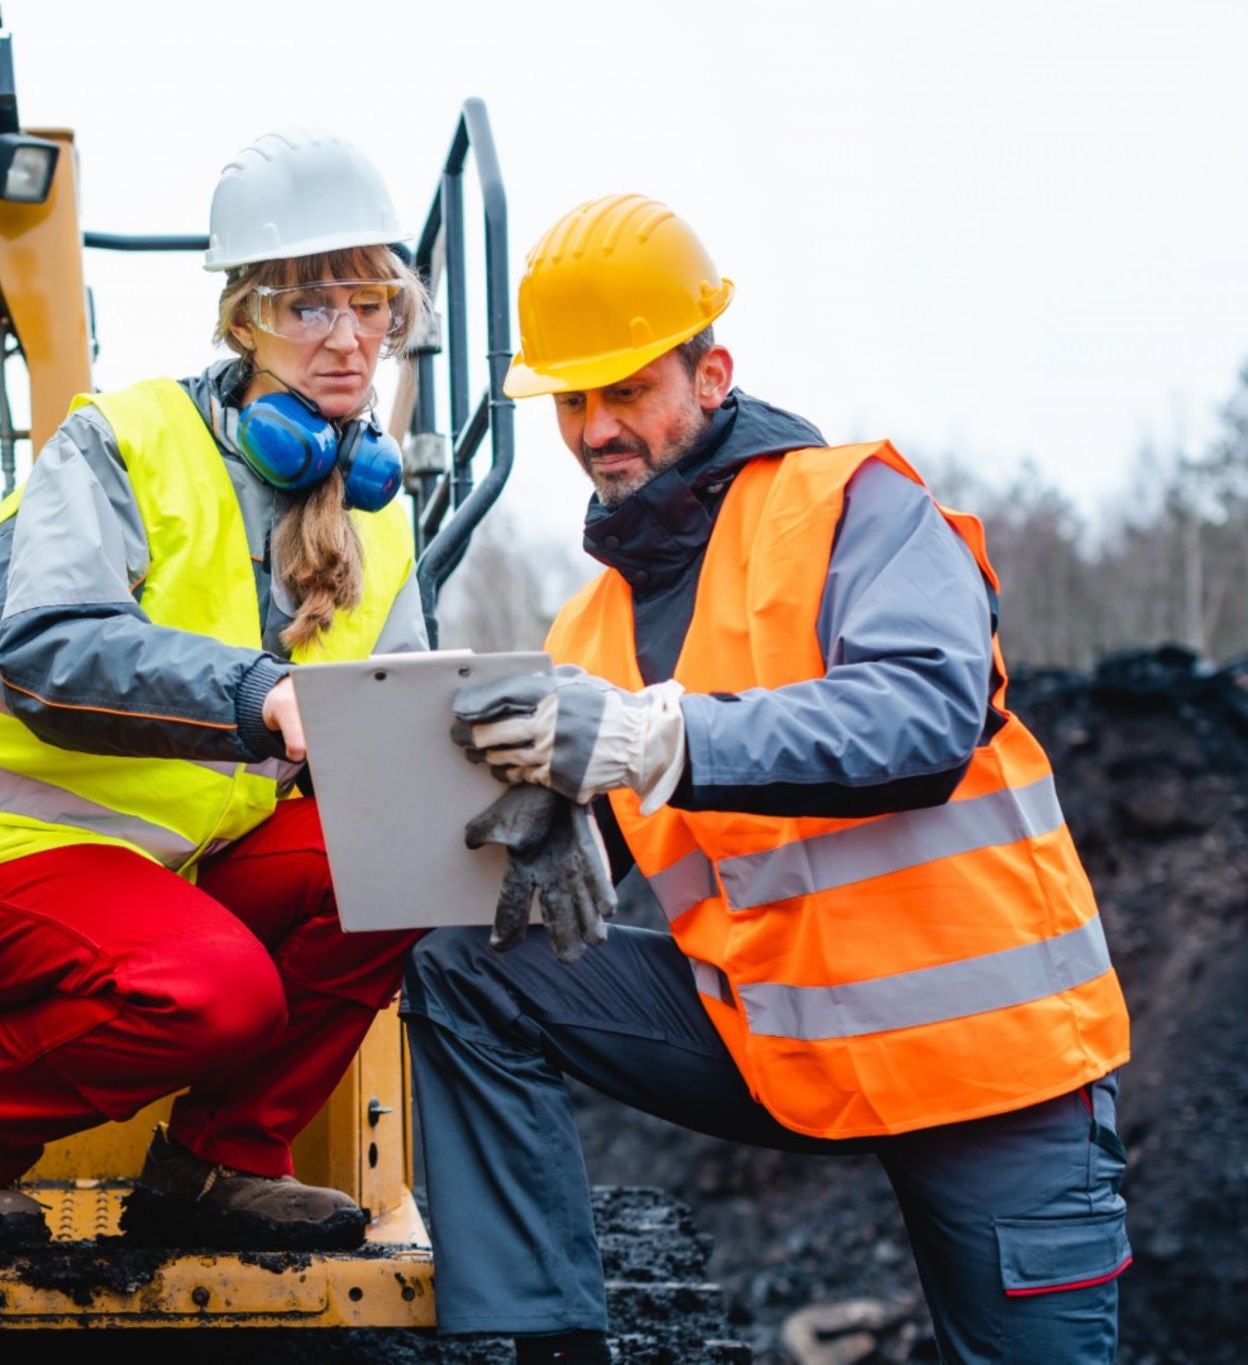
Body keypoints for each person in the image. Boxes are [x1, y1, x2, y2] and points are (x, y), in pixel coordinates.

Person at [402, 193, 1132, 1365]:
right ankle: (543, 1345)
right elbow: (600, 819)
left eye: (627, 389)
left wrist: (654, 741)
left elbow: (921, 718)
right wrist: (550, 825)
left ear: (709, 371)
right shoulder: (585, 629)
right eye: (572, 402)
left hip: (989, 1064)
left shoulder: (854, 507)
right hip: (775, 1045)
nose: (597, 428)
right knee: (466, 973)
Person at [0, 129, 429, 1255]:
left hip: (161, 876)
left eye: (369, 303)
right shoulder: (117, 444)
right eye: (305, 305)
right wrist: (255, 691)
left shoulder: (378, 516)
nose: (344, 334)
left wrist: (515, 785)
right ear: (243, 321)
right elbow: (44, 646)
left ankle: (219, 1165)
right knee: (216, 990)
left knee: (399, 849)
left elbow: (399, 734)